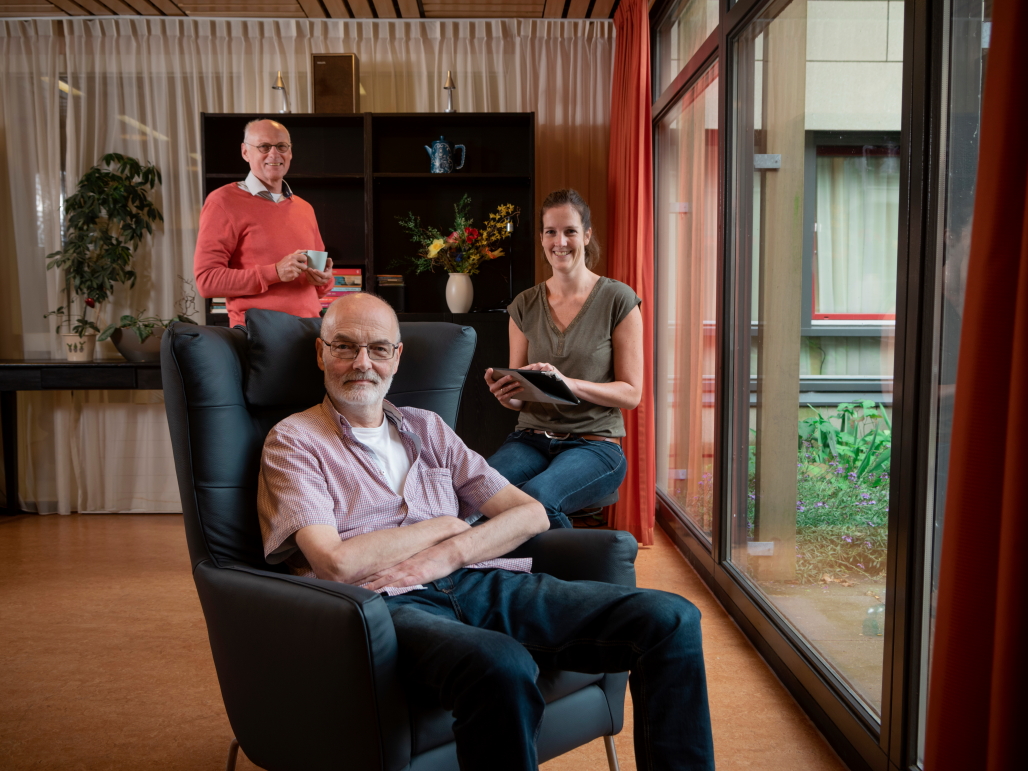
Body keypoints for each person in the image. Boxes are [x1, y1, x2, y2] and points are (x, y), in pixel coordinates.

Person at [257, 292, 714, 771]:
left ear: (397, 357)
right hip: (382, 606)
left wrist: (450, 553)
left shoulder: (427, 428)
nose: (362, 363)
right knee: (502, 664)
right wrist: (445, 526)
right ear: (320, 353)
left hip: (478, 580)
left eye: (378, 349)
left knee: (671, 618)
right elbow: (336, 562)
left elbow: (530, 513)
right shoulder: (295, 441)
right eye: (344, 346)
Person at [484, 189, 644, 529]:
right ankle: (501, 577)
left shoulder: (618, 299)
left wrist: (568, 384)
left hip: (594, 445)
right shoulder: (524, 305)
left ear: (586, 235)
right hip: (530, 438)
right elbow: (519, 397)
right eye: (551, 232)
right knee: (478, 491)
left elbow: (631, 394)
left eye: (570, 231)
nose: (560, 241)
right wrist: (508, 395)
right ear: (542, 238)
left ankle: (566, 581)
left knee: (540, 501)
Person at [194, 118, 335, 327]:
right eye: (264, 147)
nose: (274, 154)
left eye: (281, 146)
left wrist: (324, 279)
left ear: (290, 152)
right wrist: (274, 273)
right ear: (245, 152)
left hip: (311, 330)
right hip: (259, 335)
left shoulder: (305, 208)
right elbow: (207, 282)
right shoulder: (222, 202)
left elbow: (319, 286)